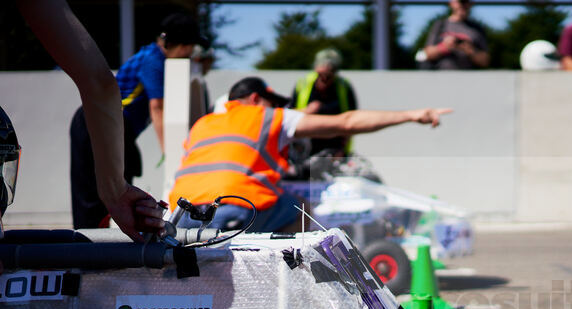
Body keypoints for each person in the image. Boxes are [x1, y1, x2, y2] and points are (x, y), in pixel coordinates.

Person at [168, 77, 451, 232]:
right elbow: (347, 123)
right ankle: (287, 277)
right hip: (234, 211)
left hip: (181, 216)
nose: (277, 108)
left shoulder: (202, 125)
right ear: (256, 100)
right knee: (302, 208)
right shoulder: (268, 117)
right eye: (272, 102)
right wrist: (412, 115)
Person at [3, 0, 164, 254]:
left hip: (104, 122)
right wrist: (115, 190)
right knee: (89, 213)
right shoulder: (154, 60)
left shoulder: (148, 56)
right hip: (103, 121)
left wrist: (115, 191)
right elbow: (100, 84)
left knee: (88, 214)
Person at [70, 12, 205, 230]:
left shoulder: (149, 55)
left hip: (111, 124)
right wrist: (171, 153)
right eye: (189, 47)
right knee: (94, 194)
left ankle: (100, 247)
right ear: (181, 44)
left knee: (116, 185)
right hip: (99, 123)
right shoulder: (154, 61)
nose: (189, 54)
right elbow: (157, 107)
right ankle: (91, 251)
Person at [291, 49, 359, 157]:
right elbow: (289, 116)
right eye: (321, 75)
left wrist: (342, 149)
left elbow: (353, 119)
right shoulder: (303, 84)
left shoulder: (343, 87)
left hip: (334, 150)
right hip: (305, 150)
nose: (324, 79)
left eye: (328, 76)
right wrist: (306, 111)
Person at [421, 0, 490, 70]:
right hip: (441, 76)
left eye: (465, 2)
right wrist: (444, 46)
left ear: (471, 3)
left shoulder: (477, 29)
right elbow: (426, 54)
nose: (462, 6)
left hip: (469, 77)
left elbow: (485, 61)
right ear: (450, 2)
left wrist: (470, 50)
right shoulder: (440, 25)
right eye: (459, 2)